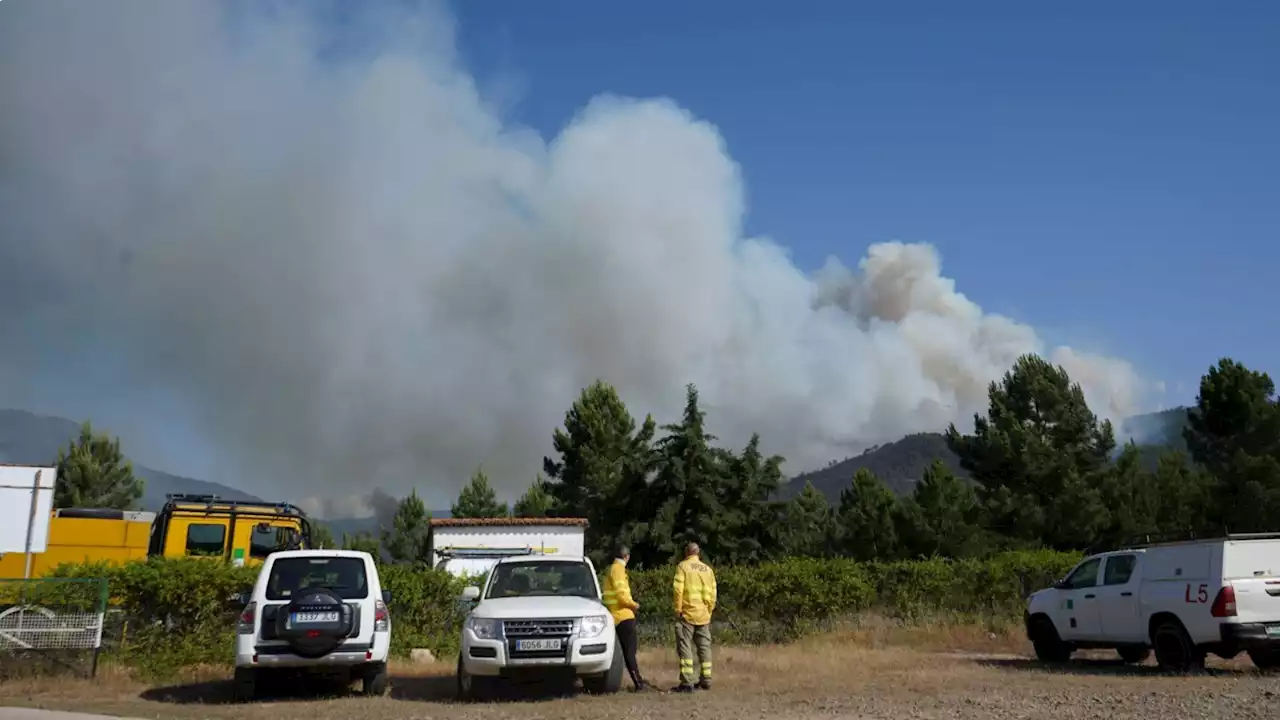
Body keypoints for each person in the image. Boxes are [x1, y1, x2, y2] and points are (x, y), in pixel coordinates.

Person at [602, 544, 650, 691]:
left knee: (625, 652)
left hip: (616, 615)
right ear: (626, 556)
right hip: (623, 615)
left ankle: (636, 682)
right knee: (629, 652)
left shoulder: (611, 569)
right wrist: (634, 604)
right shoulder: (619, 570)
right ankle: (638, 683)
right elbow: (622, 594)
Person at [672, 541, 716, 692]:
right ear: (698, 553)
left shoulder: (682, 567)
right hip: (703, 614)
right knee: (704, 647)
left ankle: (687, 682)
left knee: (685, 646)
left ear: (687, 553)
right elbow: (713, 594)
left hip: (688, 613)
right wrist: (709, 611)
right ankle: (706, 680)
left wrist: (678, 609)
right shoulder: (708, 570)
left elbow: (678, 590)